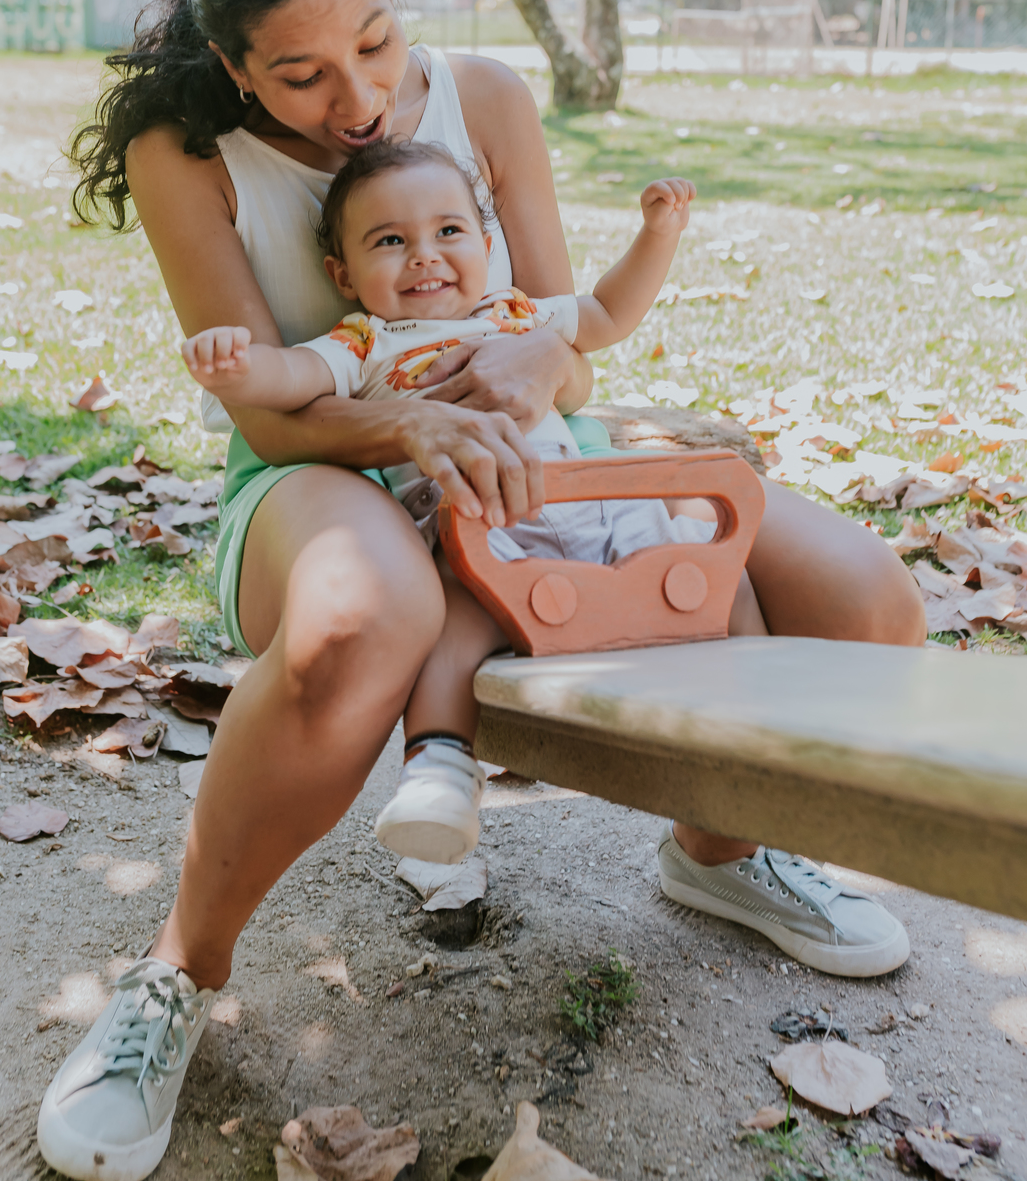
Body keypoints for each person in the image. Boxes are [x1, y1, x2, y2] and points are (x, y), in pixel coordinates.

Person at [38, 0, 925, 1181]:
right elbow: (270, 410)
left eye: (376, 42)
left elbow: (567, 336)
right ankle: (177, 970)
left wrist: (534, 371)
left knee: (866, 599)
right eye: (301, 75)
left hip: (530, 464)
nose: (357, 98)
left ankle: (720, 849)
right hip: (322, 470)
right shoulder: (190, 155)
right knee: (365, 617)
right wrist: (410, 420)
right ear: (232, 65)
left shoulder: (489, 98)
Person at [181, 137, 722, 865]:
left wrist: (658, 235)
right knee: (452, 622)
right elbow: (291, 377)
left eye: (447, 231)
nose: (424, 256)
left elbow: (606, 312)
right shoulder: (364, 343)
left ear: (486, 247)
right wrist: (235, 368)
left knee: (693, 516)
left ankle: (722, 679)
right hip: (474, 532)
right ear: (343, 274)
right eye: (390, 241)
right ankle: (439, 768)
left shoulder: (516, 314)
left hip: (587, 502)